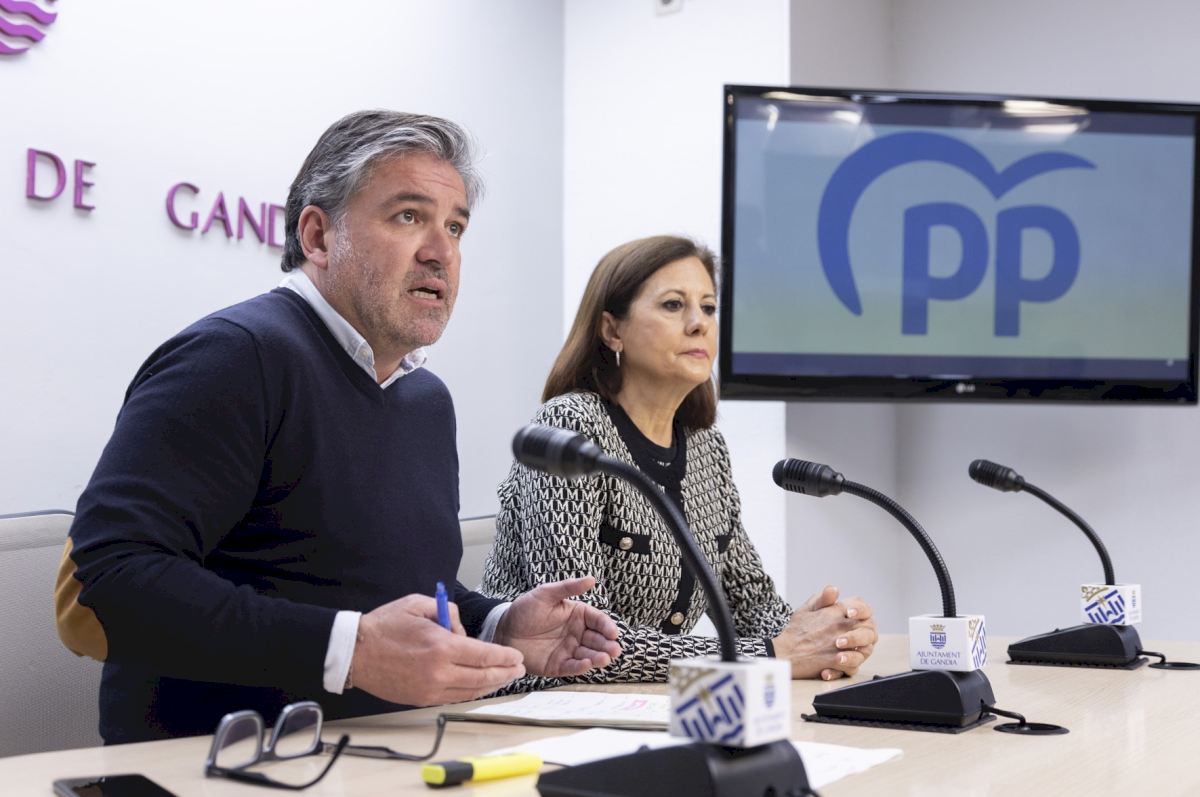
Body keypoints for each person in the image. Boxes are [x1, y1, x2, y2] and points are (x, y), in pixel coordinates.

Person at [54, 110, 620, 744]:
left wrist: (498, 625)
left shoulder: (425, 399)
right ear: (318, 236)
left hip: (388, 754)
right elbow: (106, 584)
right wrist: (351, 652)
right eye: (408, 216)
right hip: (221, 764)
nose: (441, 252)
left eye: (455, 227)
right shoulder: (237, 356)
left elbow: (387, 590)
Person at [480, 235, 876, 684]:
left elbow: (749, 603)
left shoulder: (705, 447)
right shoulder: (571, 430)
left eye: (708, 308)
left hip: (647, 705)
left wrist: (828, 636)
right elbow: (583, 639)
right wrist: (773, 653)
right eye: (673, 305)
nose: (698, 324)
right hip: (528, 701)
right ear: (612, 330)